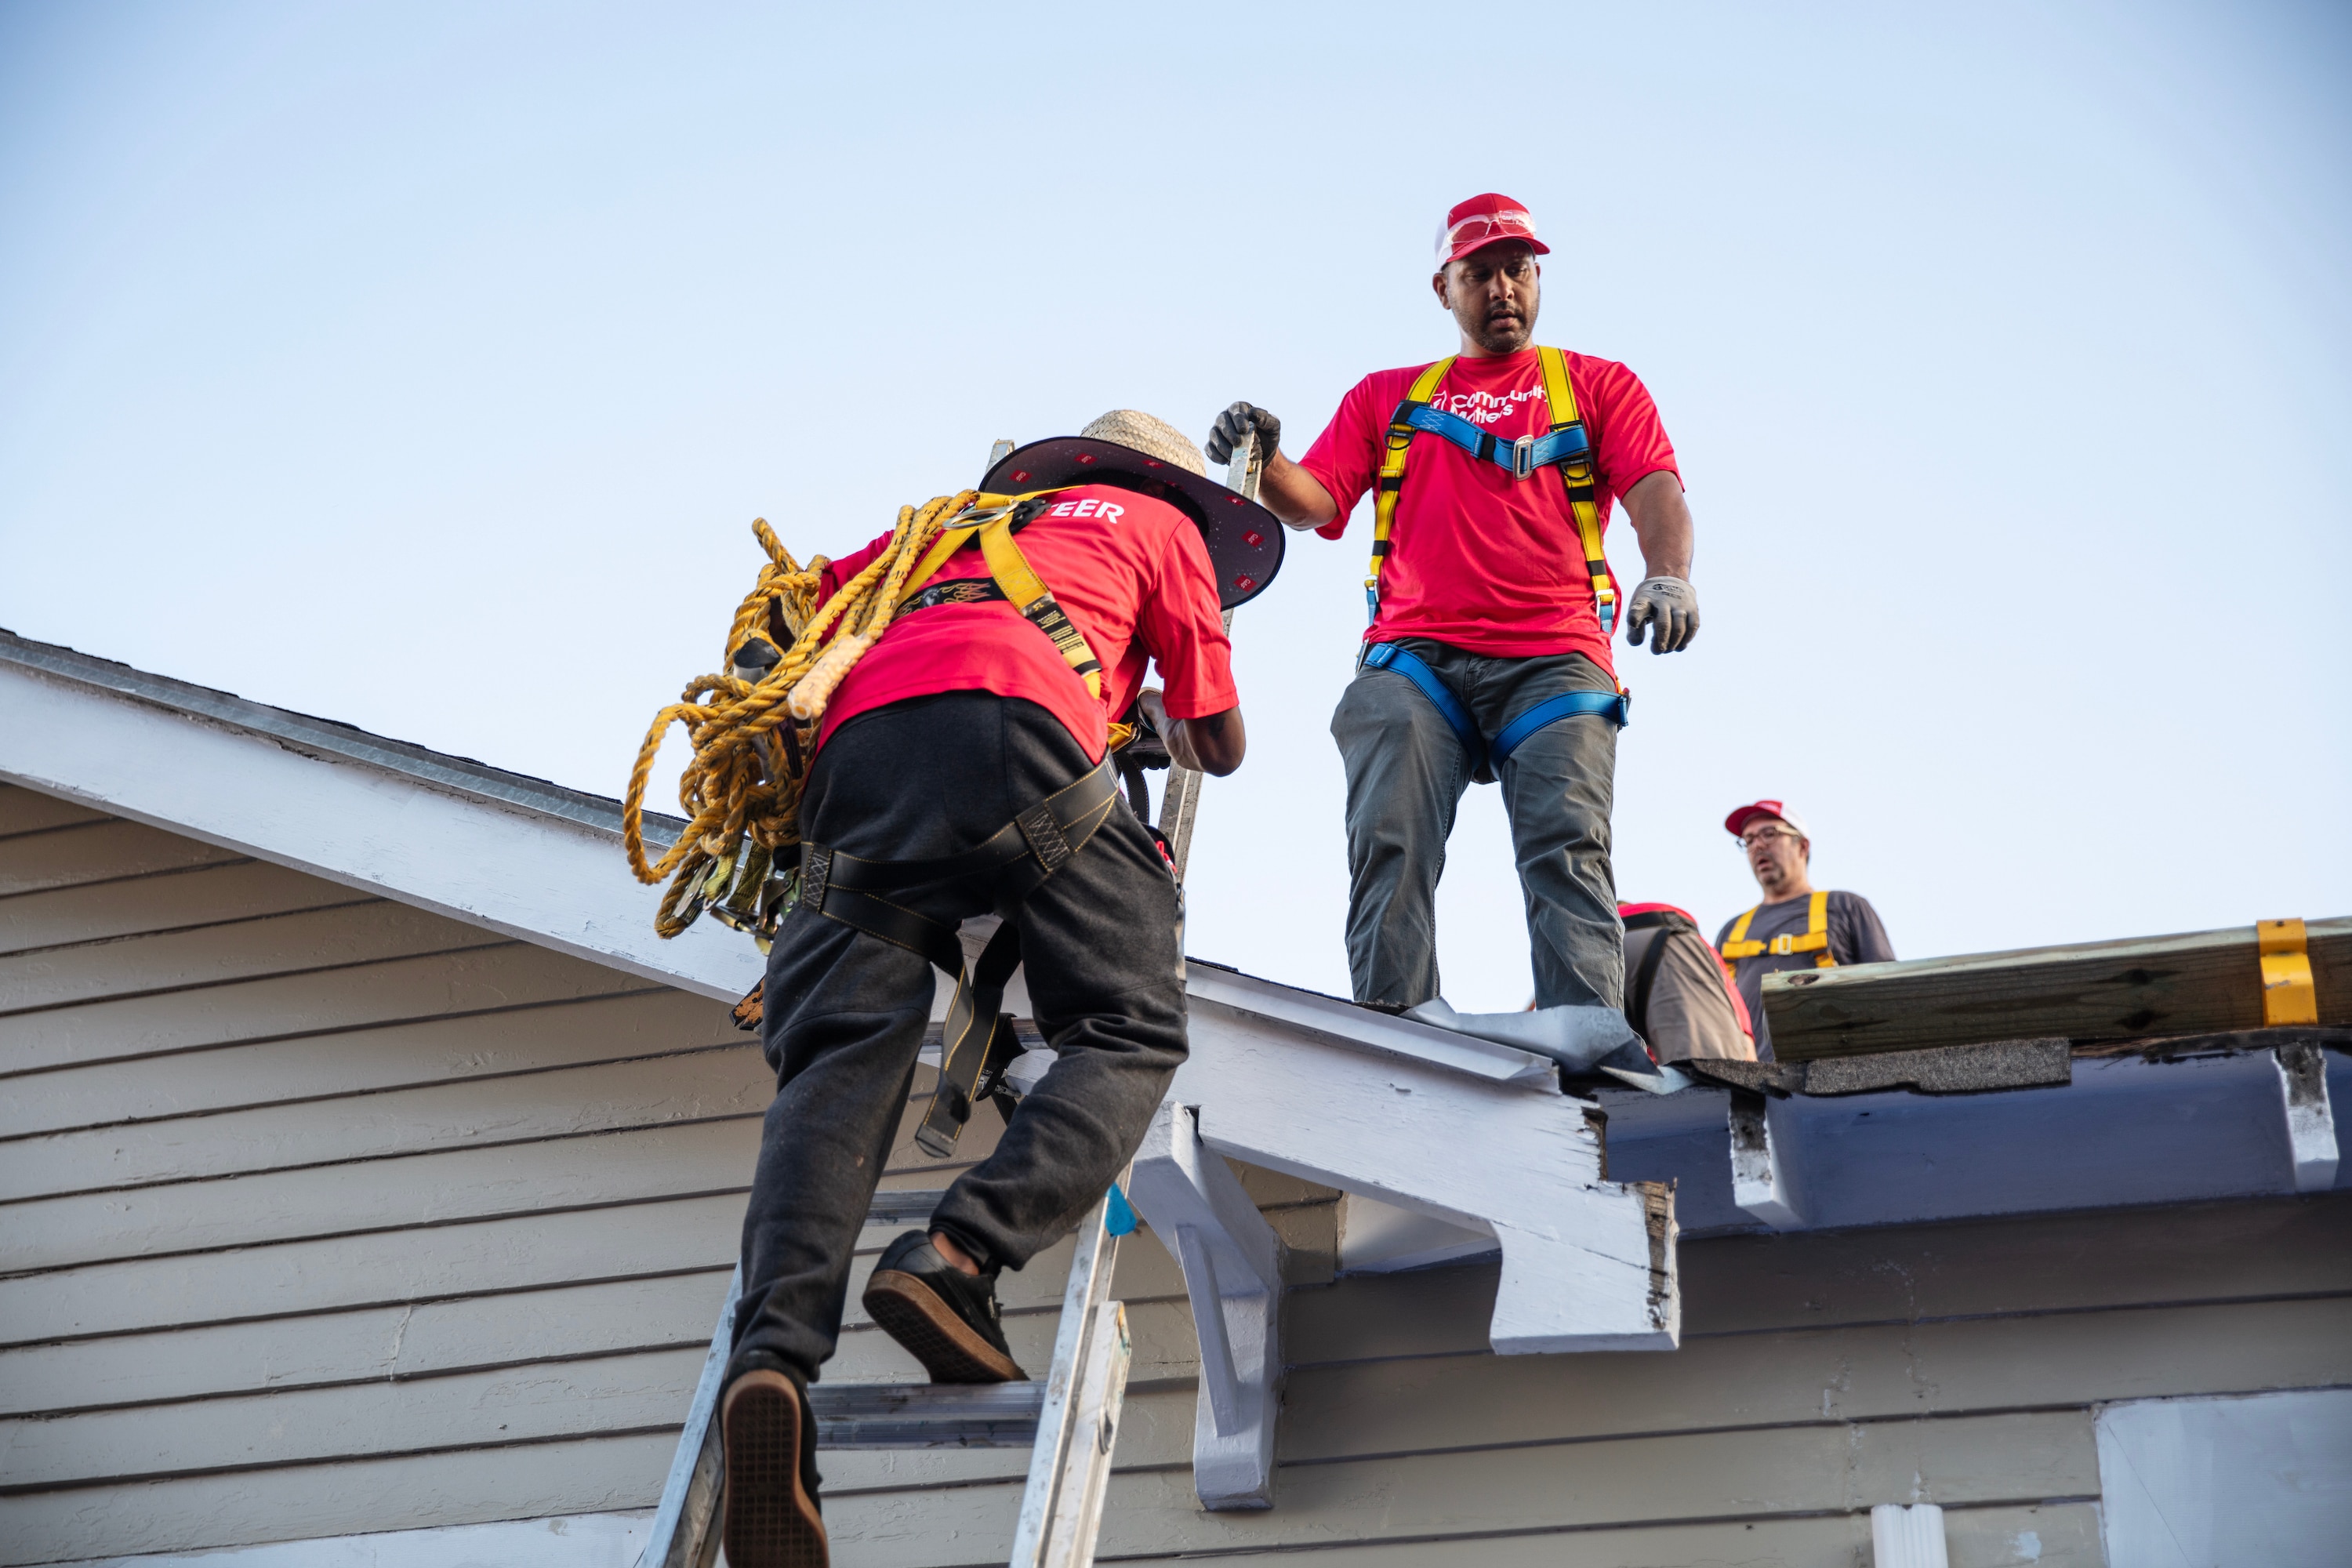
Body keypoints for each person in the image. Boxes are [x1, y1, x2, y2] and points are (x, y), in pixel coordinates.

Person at [718, 411, 1261, 1568]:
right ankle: (956, 1258)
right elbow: (1218, 739)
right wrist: (1145, 711)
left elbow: (784, 628)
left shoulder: (942, 528)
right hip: (1020, 740)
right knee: (1127, 1026)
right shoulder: (1161, 523)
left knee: (837, 1064)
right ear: (1160, 479)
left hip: (858, 768)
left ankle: (770, 1364)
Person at [1208, 192, 1700, 1018]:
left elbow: (1655, 487)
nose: (1502, 288)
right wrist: (1265, 454)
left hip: (1554, 661)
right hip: (1415, 663)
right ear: (1445, 288)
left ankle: (1586, 1055)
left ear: (1538, 278)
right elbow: (1316, 501)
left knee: (1566, 854)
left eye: (1518, 270)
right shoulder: (1389, 396)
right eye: (1480, 273)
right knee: (1387, 846)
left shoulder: (1597, 385)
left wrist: (1669, 572)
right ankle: (1396, 1038)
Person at [1715, 800, 1895, 1060]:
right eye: (1749, 840)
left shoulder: (1845, 907)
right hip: (1753, 1081)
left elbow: (1887, 993)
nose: (1757, 846)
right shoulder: (1731, 932)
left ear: (1803, 845)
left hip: (1833, 1072)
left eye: (1770, 834)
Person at [1619, 901, 1754, 1062]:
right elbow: (1747, 1055)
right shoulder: (1705, 964)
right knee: (1716, 1075)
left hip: (1592, 940)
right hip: (1663, 936)